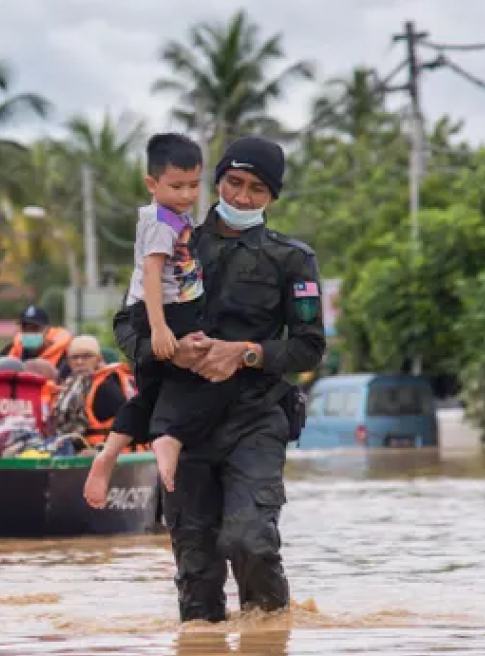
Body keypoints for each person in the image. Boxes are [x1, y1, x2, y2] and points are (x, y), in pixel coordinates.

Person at [112, 135, 325, 621]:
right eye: (233, 183)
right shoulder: (172, 240)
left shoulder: (292, 259)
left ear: (273, 196)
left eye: (257, 189)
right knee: (197, 568)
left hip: (257, 418)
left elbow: (310, 347)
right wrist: (172, 351)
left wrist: (246, 353)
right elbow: (127, 323)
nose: (243, 198)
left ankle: (269, 634)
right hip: (185, 423)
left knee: (250, 539)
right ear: (217, 181)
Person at [85, 133, 218, 494]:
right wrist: (160, 328)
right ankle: (167, 440)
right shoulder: (162, 222)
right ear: (152, 183)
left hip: (161, 311)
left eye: (194, 185)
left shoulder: (170, 216)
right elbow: (152, 274)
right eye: (177, 186)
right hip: (169, 312)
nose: (187, 195)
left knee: (148, 396)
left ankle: (108, 454)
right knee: (202, 377)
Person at [0, 305, 73, 379]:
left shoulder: (64, 355)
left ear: (47, 329)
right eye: (25, 328)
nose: (29, 333)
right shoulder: (9, 351)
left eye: (35, 328)